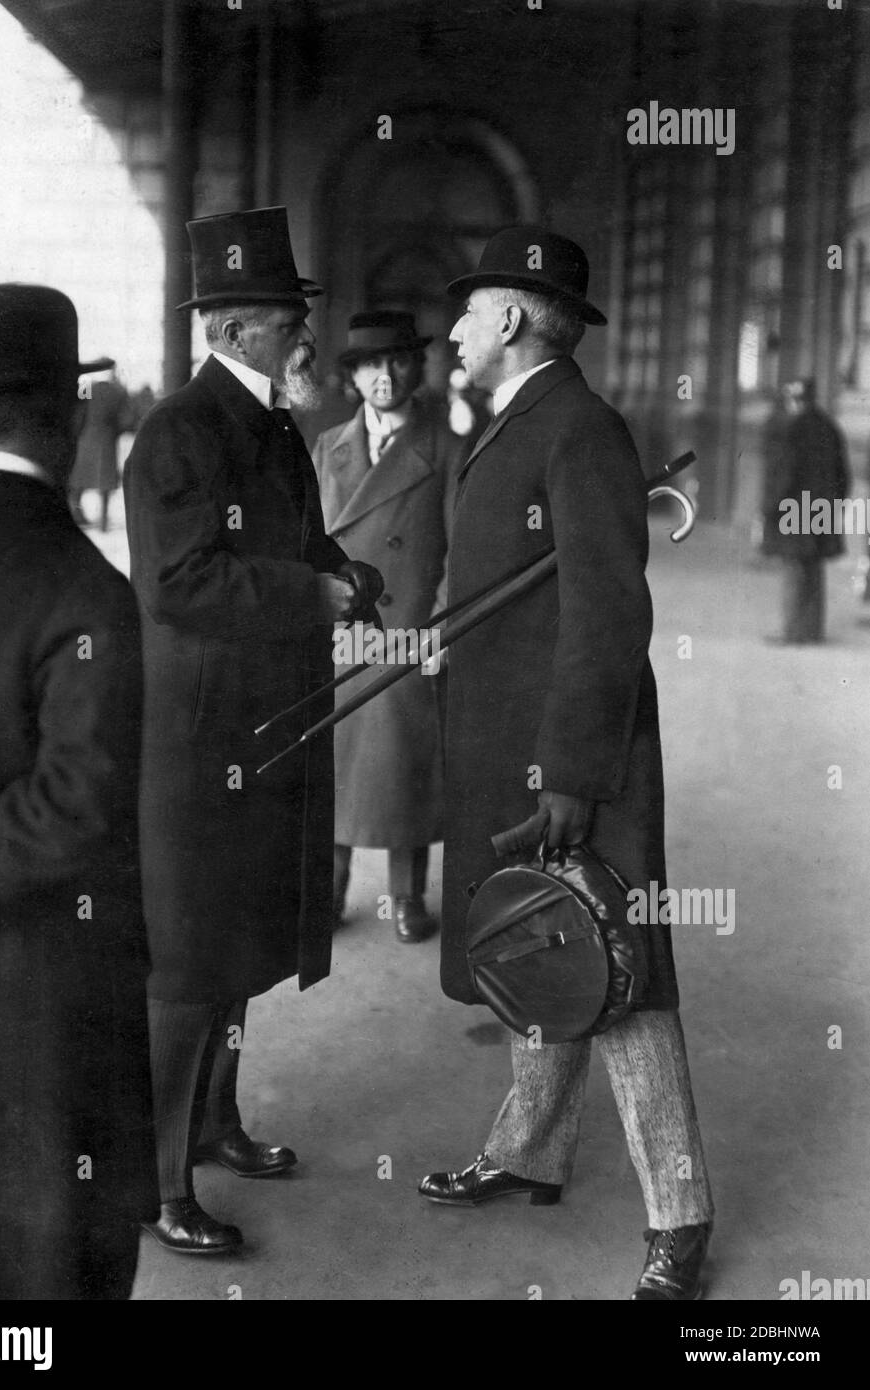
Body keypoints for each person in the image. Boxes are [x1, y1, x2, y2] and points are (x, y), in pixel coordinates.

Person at [417, 228, 714, 1301]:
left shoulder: (582, 429)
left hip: (576, 752)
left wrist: (572, 772)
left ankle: (680, 1216)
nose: (451, 328)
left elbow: (608, 613)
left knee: (621, 976)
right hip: (520, 741)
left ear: (510, 320)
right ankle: (529, 1151)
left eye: (467, 309)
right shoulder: (522, 420)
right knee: (542, 944)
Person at [124, 206, 380, 1255]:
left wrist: (347, 573)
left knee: (239, 953)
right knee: (188, 971)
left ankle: (218, 1122)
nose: (303, 335)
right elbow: (180, 583)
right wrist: (308, 596)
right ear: (234, 329)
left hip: (265, 727)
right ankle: (155, 1182)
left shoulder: (273, 424)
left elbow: (301, 541)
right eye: (286, 318)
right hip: (198, 743)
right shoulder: (178, 430)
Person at [0, 284, 155, 1300]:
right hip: (40, 1004)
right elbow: (78, 811)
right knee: (41, 1262)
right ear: (78, 416)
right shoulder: (90, 590)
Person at [312, 312, 460, 942]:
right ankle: (330, 893)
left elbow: (462, 549)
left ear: (416, 369)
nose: (384, 375)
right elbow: (313, 545)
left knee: (404, 768)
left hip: (407, 629)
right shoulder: (328, 448)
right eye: (370, 364)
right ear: (352, 376)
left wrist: (442, 628)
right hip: (342, 631)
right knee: (336, 765)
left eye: (398, 361)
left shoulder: (448, 447)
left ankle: (405, 897)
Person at [761, 378, 850, 644]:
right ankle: (813, 631)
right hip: (821, 507)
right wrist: (835, 504)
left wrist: (771, 507)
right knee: (814, 569)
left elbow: (785, 473)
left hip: (793, 506)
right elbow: (843, 473)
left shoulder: (792, 427)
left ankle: (792, 632)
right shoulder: (828, 425)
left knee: (793, 568)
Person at [69, 364, 131, 530]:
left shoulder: (86, 387)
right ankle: (103, 522)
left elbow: (77, 413)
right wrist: (113, 431)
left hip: (84, 439)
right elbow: (127, 420)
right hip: (106, 441)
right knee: (105, 483)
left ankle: (76, 517)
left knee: (78, 481)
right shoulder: (118, 390)